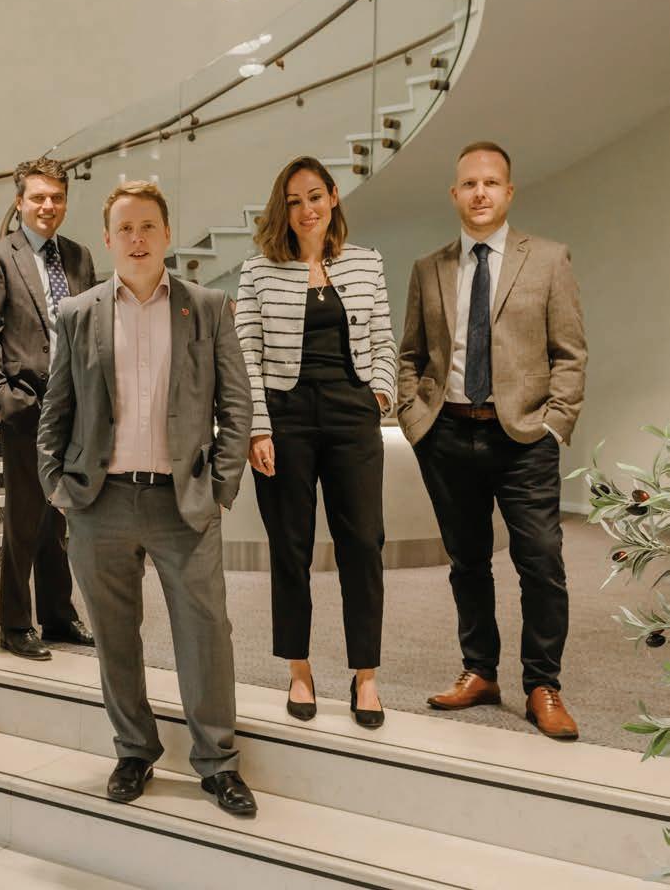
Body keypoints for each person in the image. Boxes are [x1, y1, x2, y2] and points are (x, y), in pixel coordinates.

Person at [38, 180, 256, 816]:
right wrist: (57, 485)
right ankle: (134, 749)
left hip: (183, 503)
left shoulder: (208, 307)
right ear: (108, 239)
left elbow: (236, 405)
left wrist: (220, 487)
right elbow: (57, 407)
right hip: (99, 502)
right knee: (114, 635)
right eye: (125, 229)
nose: (137, 239)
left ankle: (217, 760)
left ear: (167, 234)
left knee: (206, 632)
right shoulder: (78, 313)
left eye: (148, 227)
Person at [397, 141, 586, 739]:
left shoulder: (549, 259)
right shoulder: (429, 268)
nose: (480, 192)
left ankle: (542, 684)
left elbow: (570, 353)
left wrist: (555, 423)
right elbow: (409, 353)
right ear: (455, 194)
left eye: (491, 183)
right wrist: (416, 420)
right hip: (448, 434)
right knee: (468, 562)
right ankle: (480, 671)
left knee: (542, 562)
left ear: (509, 192)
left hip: (525, 437)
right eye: (469, 184)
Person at [234, 157, 396, 729]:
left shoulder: (367, 263)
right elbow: (246, 354)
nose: (307, 209)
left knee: (363, 545)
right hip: (286, 418)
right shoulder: (258, 271)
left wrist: (379, 396)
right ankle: (298, 669)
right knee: (290, 547)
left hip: (353, 416)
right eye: (295, 200)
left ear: (333, 197)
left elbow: (383, 338)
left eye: (315, 196)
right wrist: (257, 427)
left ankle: (366, 675)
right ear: (283, 209)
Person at [0, 157, 97, 661]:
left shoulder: (79, 257)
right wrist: (4, 401)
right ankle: (15, 622)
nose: (48, 206)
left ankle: (58, 614)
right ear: (20, 201)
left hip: (74, 404)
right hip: (25, 404)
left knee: (58, 517)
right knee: (23, 518)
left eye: (57, 197)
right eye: (38, 197)